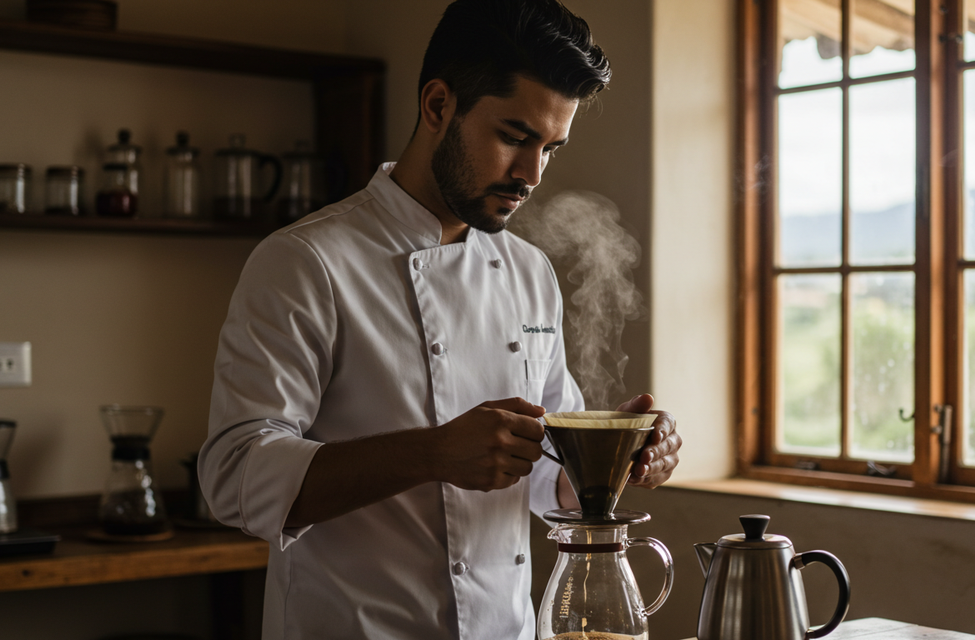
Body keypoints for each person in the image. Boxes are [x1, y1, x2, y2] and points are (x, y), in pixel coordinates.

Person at [198, 1, 683, 638]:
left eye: (551, 148)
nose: (532, 174)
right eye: (515, 137)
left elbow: (546, 479)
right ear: (437, 106)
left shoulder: (530, 272)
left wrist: (607, 458)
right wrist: (430, 453)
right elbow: (233, 477)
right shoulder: (305, 261)